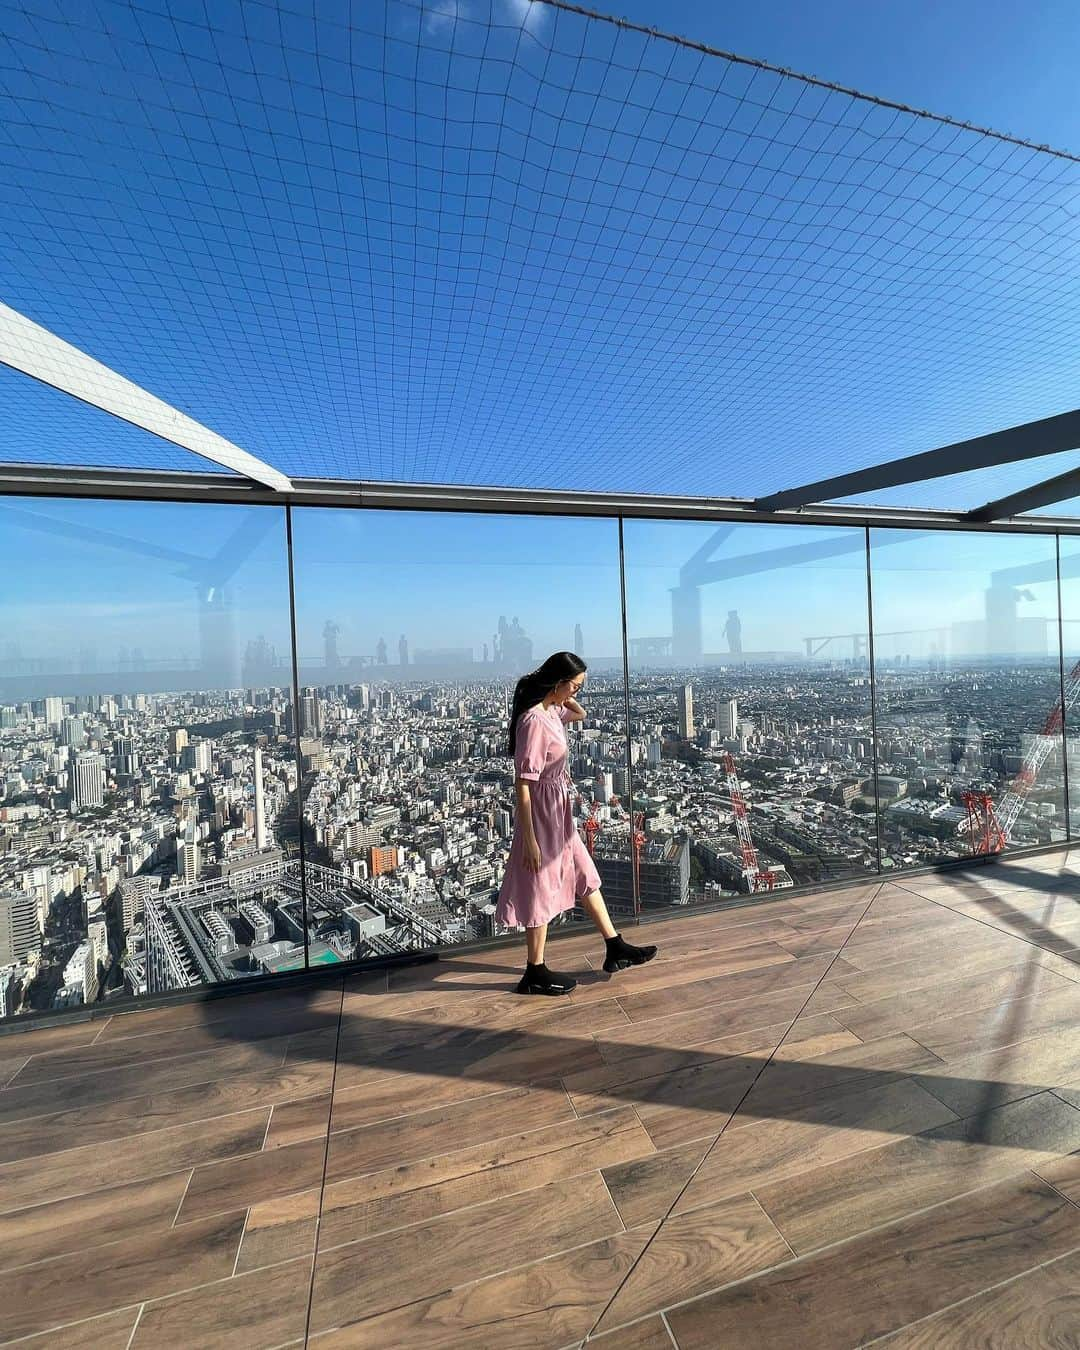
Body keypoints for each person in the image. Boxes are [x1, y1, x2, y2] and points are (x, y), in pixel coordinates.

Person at [496, 651, 657, 995]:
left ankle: (614, 946)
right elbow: (523, 783)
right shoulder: (533, 722)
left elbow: (578, 714)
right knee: (538, 885)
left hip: (558, 808)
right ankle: (534, 971)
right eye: (576, 685)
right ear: (559, 682)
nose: (578, 693)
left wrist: (562, 698)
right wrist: (531, 839)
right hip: (540, 813)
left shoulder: (551, 711)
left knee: (584, 873)